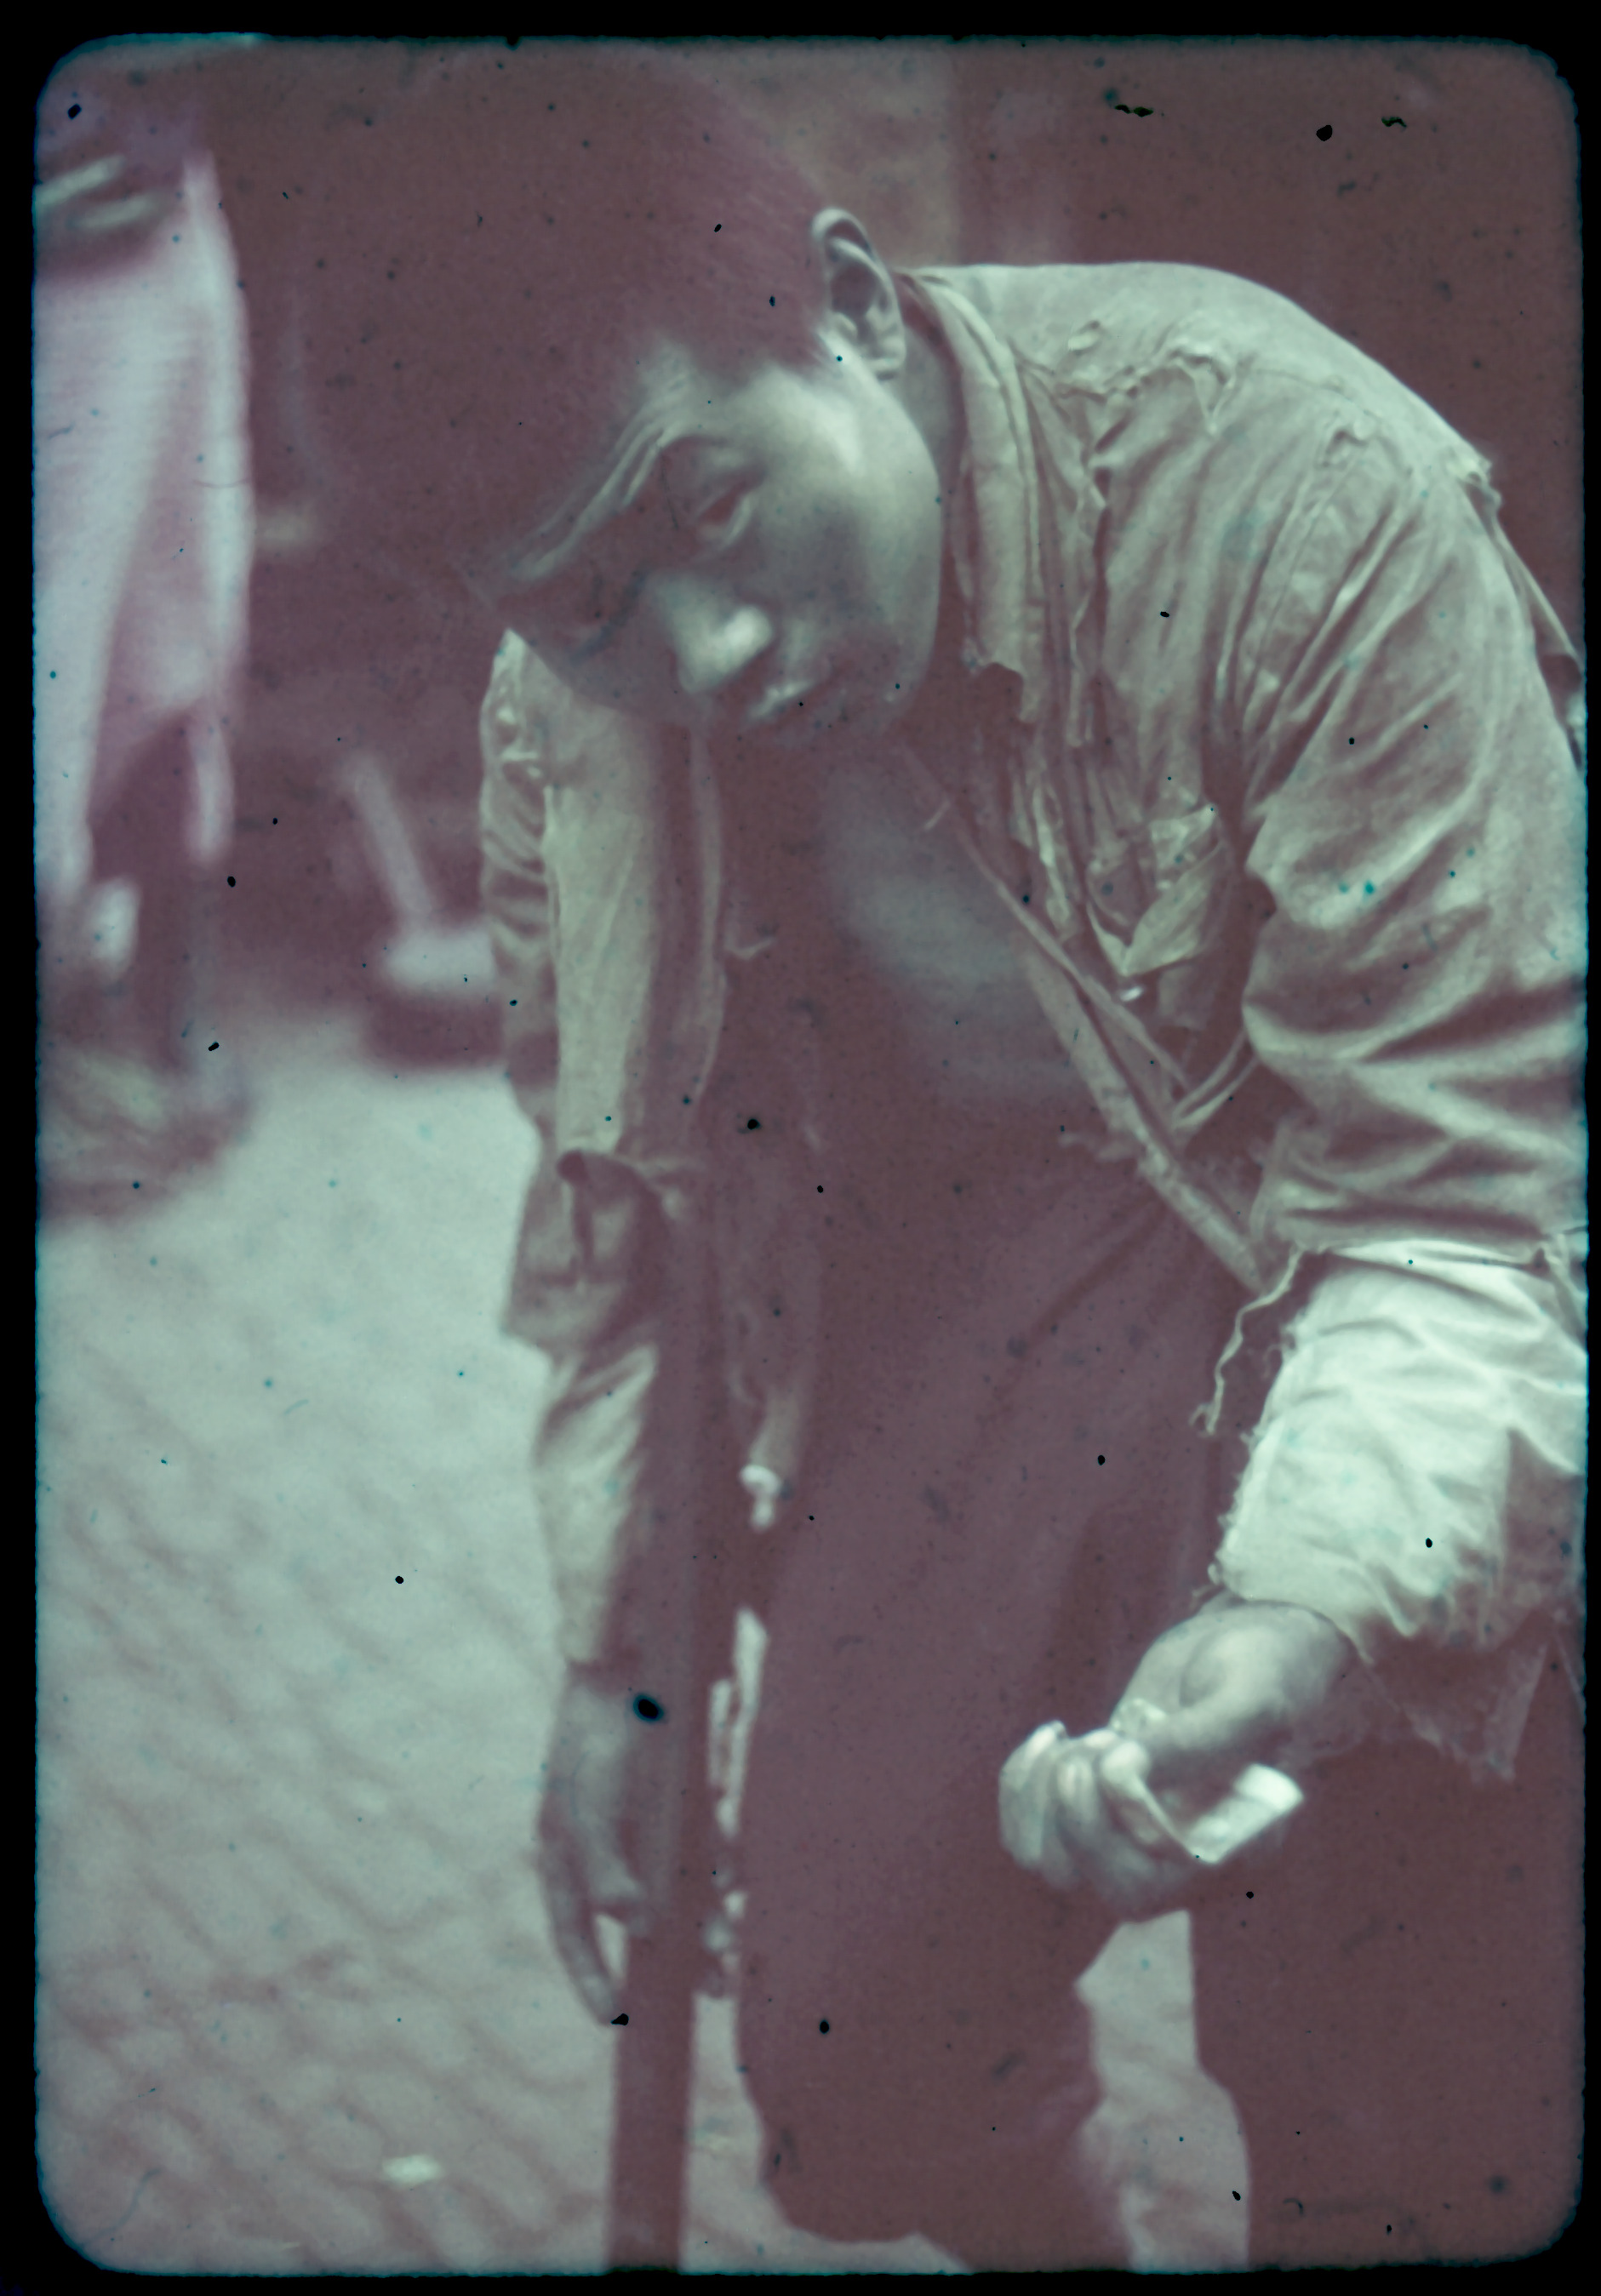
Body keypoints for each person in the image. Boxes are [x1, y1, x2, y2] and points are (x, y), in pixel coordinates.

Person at [299, 44, 1585, 2269]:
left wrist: (1298, 1611)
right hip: (969, 1301)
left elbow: (1461, 1201)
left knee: (1394, 2109)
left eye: (709, 510)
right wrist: (622, 1667)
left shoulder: (1301, 491)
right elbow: (623, 1221)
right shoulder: (566, 724)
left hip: (1350, 1257)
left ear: (851, 305)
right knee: (854, 2065)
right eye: (582, 601)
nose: (697, 649)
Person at [35, 42, 256, 1212]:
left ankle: (153, 1023)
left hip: (159, 182)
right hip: (58, 238)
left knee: (186, 620)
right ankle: (67, 1062)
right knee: (56, 658)